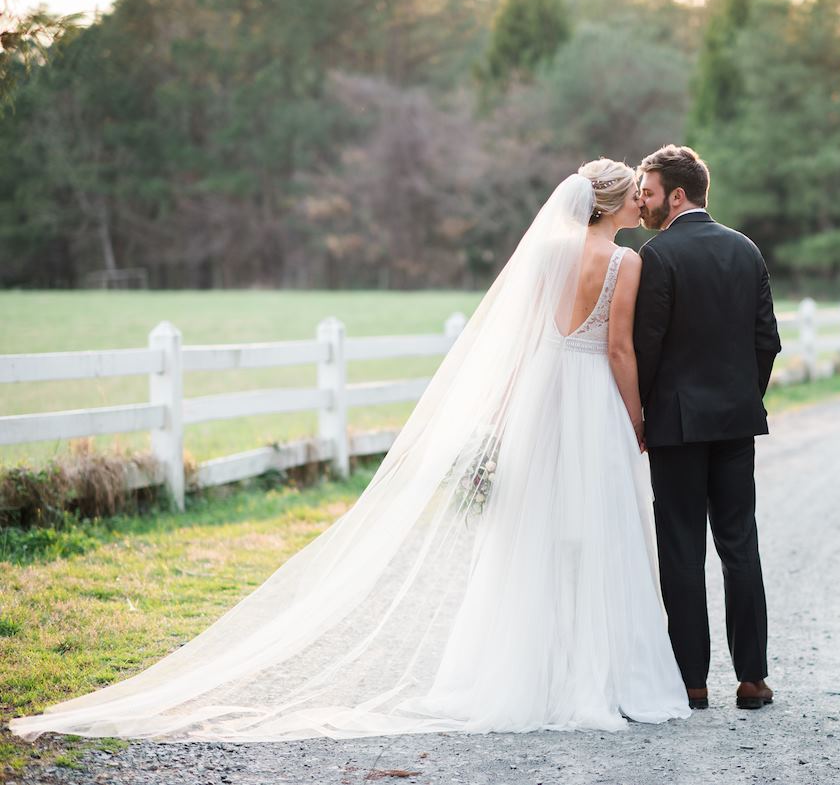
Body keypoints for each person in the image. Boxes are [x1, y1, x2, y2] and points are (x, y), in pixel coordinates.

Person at [8, 159, 690, 742]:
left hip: (540, 398)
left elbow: (516, 345)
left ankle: (527, 676)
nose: (642, 200)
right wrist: (634, 418)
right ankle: (594, 678)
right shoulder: (626, 262)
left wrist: (499, 417)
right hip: (590, 401)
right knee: (595, 534)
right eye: (635, 192)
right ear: (613, 201)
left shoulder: (545, 253)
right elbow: (619, 348)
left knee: (530, 536)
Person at [633, 144, 781, 711]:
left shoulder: (658, 256)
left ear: (677, 194)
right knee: (740, 543)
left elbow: (647, 345)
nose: (642, 203)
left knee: (681, 549)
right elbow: (765, 341)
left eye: (648, 192)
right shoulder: (746, 251)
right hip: (736, 421)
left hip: (675, 425)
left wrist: (645, 411)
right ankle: (752, 679)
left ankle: (691, 681)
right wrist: (743, 397)